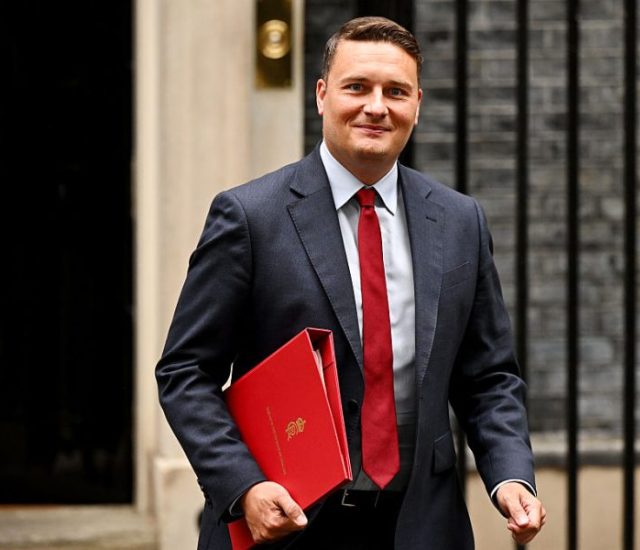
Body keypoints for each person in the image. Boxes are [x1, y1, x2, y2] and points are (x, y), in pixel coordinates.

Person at [156, 16, 545, 550]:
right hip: (287, 527)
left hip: (422, 527)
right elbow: (185, 372)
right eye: (357, 87)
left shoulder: (460, 222)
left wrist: (511, 476)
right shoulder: (249, 217)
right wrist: (244, 485)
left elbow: (489, 376)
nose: (376, 107)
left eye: (396, 92)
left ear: (417, 104)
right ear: (322, 95)